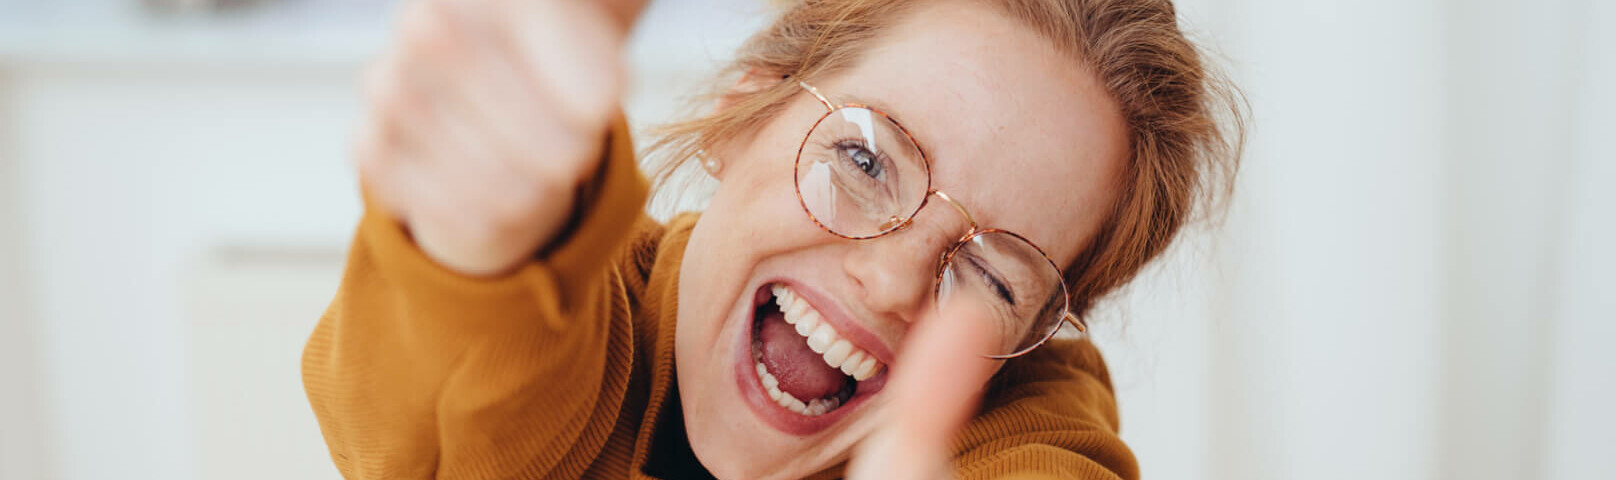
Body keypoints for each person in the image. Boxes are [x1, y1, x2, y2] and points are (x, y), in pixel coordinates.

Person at [302, 0, 1242, 478]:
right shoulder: (589, 320)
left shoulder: (1018, 421)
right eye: (867, 161)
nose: (891, 280)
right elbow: (461, 415)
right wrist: (479, 250)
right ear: (739, 117)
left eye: (995, 279)